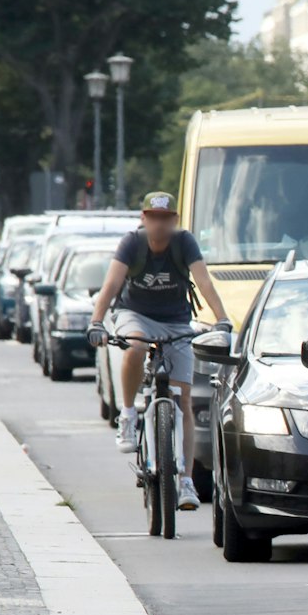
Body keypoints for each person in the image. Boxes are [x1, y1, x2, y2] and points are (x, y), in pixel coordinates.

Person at [87, 192, 229, 511]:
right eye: (154, 218)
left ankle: (187, 481)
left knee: (184, 400)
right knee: (135, 345)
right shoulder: (131, 244)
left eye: (166, 218)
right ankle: (127, 414)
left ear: (174, 220)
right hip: (135, 315)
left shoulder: (184, 243)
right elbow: (111, 285)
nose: (160, 225)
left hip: (176, 321)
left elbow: (204, 281)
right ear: (144, 218)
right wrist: (97, 322)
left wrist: (221, 319)